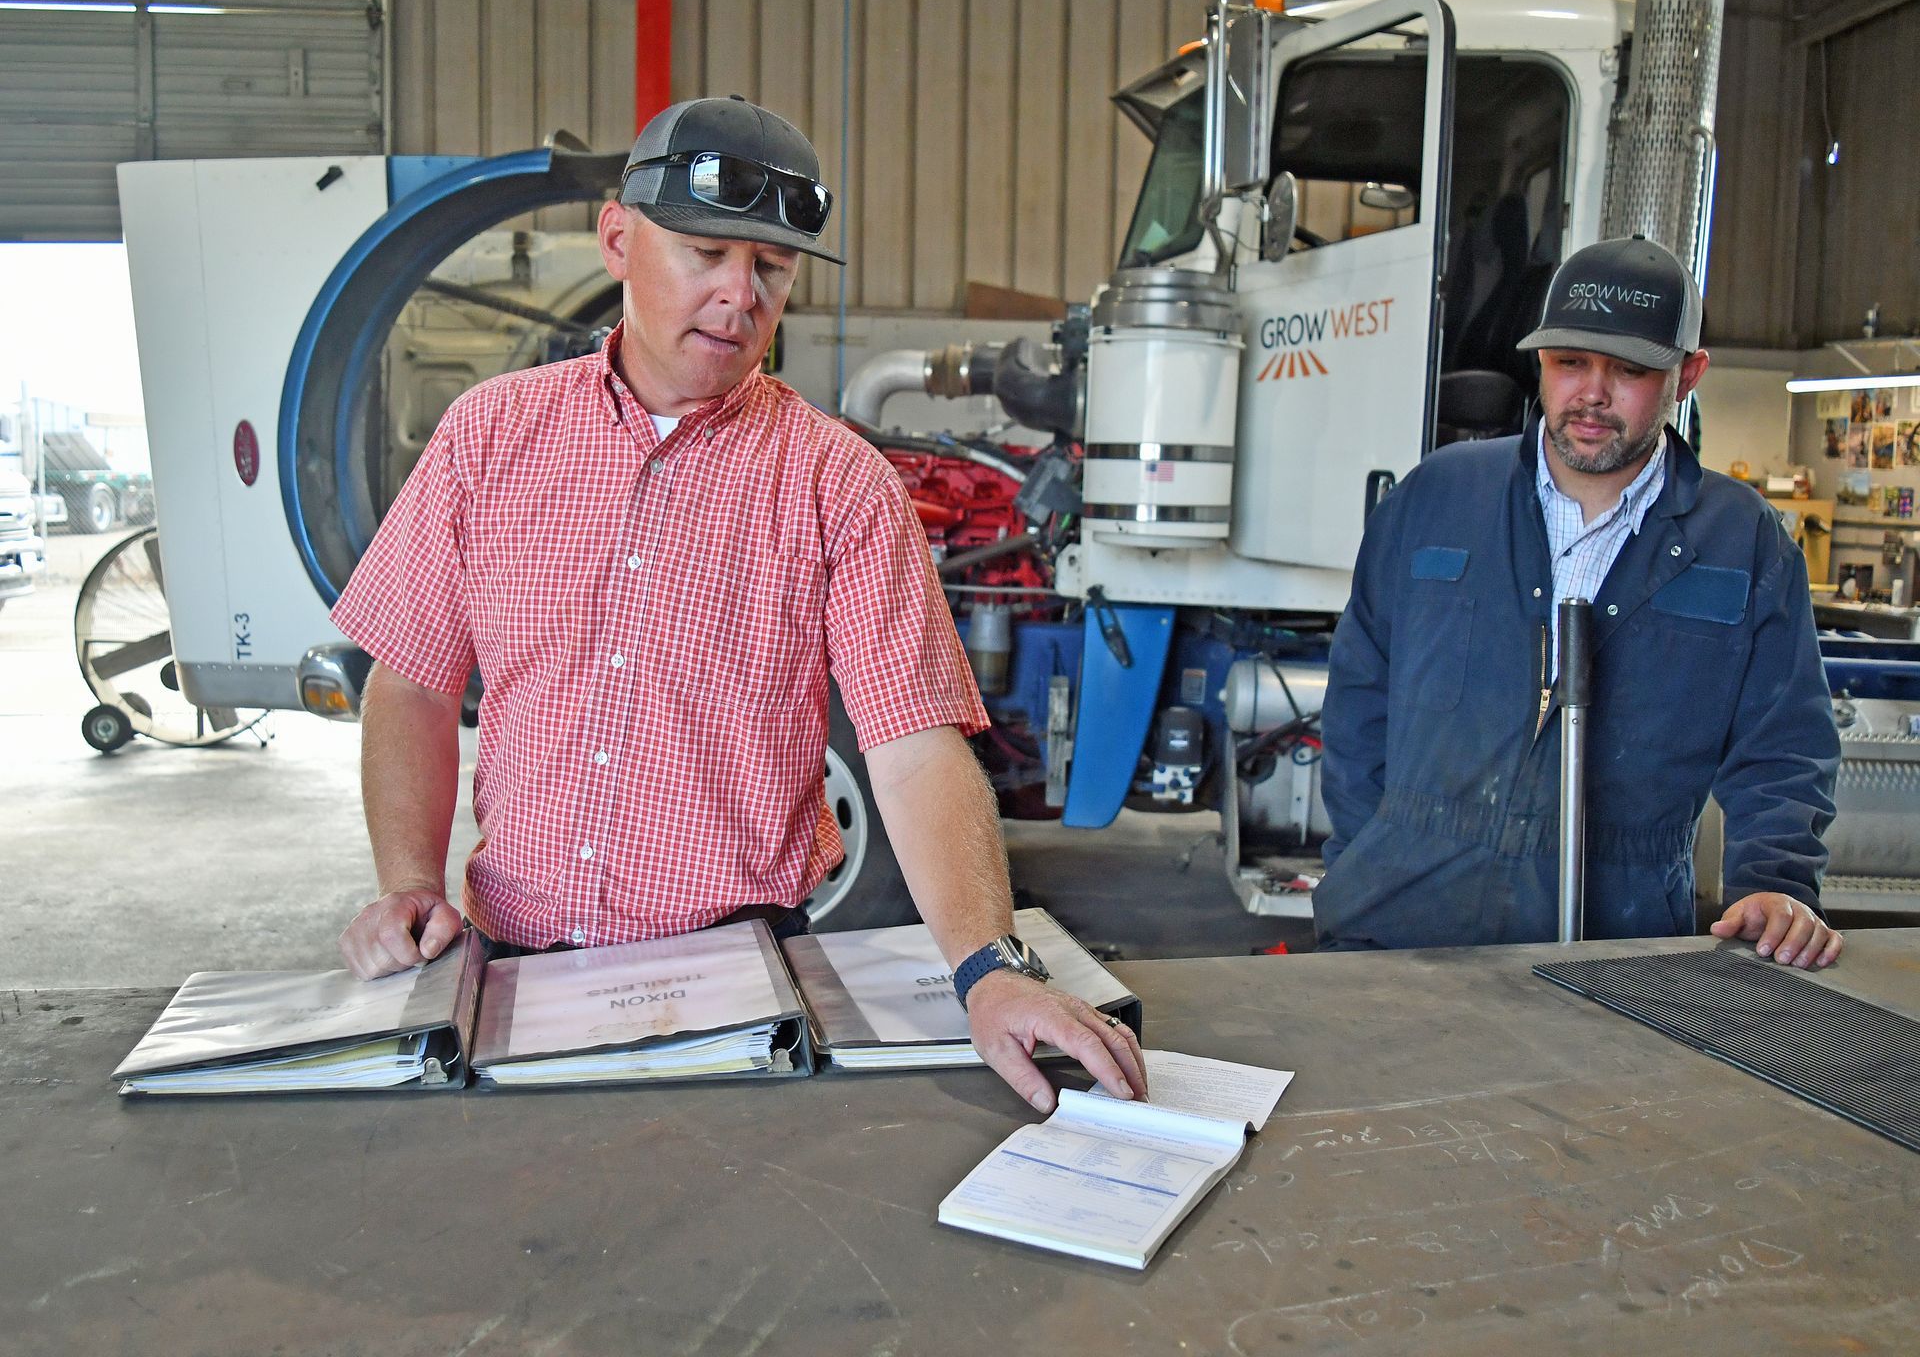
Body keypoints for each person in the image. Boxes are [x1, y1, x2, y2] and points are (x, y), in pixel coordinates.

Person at [329, 96, 1146, 1111]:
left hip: (736, 987)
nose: (738, 294)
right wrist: (410, 879)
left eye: (770, 267)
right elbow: (409, 680)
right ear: (620, 240)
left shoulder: (837, 481)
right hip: (511, 972)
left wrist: (988, 970)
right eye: (706, 252)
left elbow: (914, 744)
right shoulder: (488, 439)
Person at [1317, 235, 1844, 968]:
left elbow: (1784, 742)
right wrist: (1366, 853)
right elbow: (1358, 696)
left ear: (1687, 374)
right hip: (1401, 922)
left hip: (1621, 939)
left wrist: (1775, 882)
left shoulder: (1743, 541)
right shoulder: (1437, 497)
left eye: (1629, 370)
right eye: (1570, 363)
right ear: (1540, 362)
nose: (1592, 394)